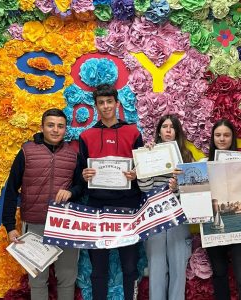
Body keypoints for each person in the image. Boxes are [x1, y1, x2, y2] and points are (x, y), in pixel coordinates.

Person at [2, 108, 82, 300]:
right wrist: (10, 226)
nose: (55, 130)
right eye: (51, 125)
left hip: (65, 225)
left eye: (60, 126)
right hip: (34, 225)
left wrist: (71, 191)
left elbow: (82, 187)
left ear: (65, 130)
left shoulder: (73, 156)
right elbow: (11, 189)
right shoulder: (26, 152)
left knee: (67, 277)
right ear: (42, 127)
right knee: (37, 279)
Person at [80, 84, 143, 300]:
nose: (106, 106)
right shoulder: (86, 136)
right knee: (98, 269)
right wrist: (84, 175)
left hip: (128, 207)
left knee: (129, 267)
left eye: (109, 102)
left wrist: (136, 174)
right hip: (97, 207)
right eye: (101, 103)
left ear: (117, 104)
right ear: (96, 106)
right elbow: (80, 174)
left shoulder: (133, 132)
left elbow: (143, 171)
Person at [137, 114, 193, 300]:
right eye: (164, 126)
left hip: (179, 220)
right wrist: (146, 159)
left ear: (177, 131)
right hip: (155, 220)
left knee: (178, 272)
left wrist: (179, 187)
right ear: (159, 131)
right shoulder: (148, 152)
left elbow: (194, 191)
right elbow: (144, 188)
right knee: (157, 271)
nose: (168, 130)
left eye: (172, 127)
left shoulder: (186, 156)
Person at [206, 119, 241, 300]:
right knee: (220, 273)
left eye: (226, 135)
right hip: (213, 227)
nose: (222, 139)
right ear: (213, 137)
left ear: (232, 137)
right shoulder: (203, 164)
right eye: (218, 135)